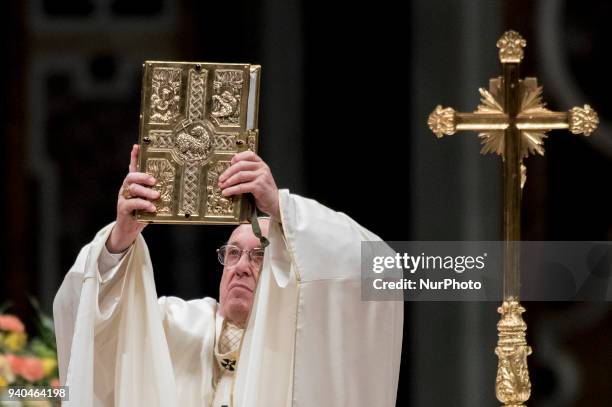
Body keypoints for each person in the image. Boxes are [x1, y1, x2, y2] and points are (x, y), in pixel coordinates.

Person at [53, 145, 403, 407]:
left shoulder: (299, 335)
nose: (241, 265)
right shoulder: (172, 326)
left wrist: (282, 208)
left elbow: (379, 268)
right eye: (233, 252)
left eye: (260, 254)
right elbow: (88, 319)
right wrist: (120, 238)